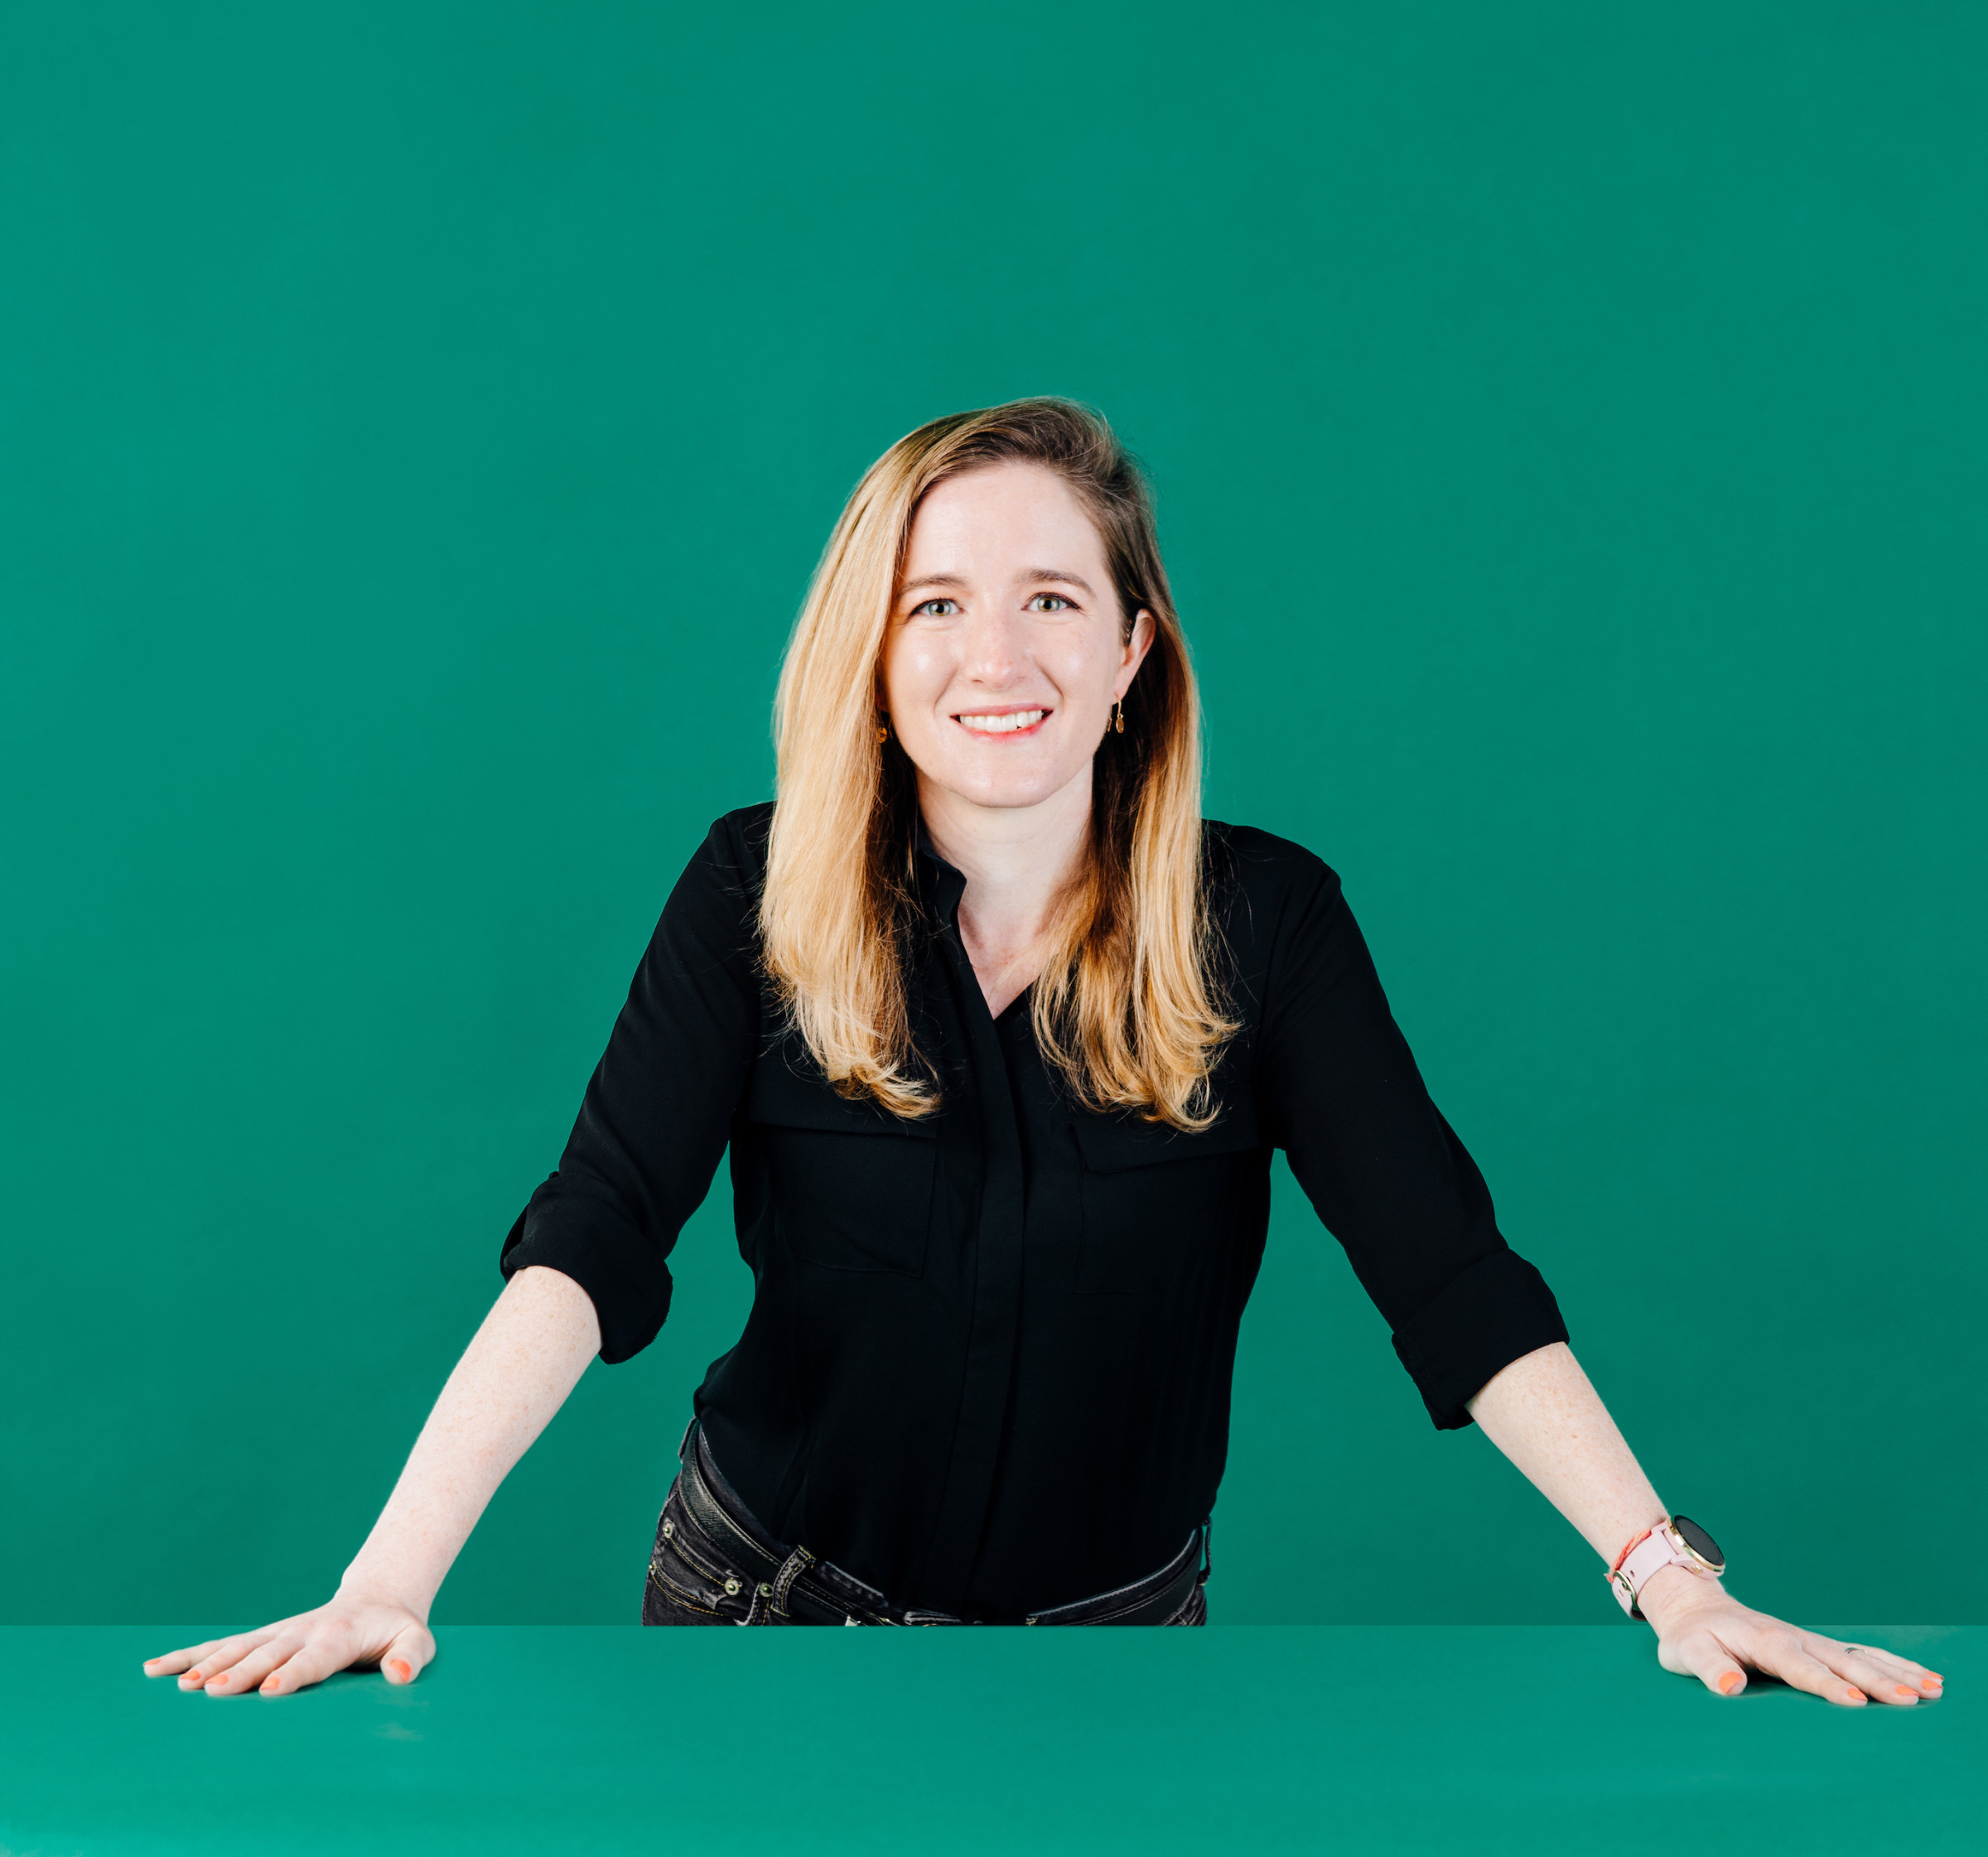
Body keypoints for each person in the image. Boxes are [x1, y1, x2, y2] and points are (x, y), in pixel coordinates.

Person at [147, 399, 1939, 1708]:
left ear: (1136, 651)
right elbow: (595, 1236)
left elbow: (1452, 1279)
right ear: (873, 653)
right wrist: (390, 1577)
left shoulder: (1273, 927)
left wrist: (1668, 1579)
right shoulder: (751, 892)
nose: (992, 654)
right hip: (763, 1618)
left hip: (1120, 1655)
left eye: (1052, 601)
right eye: (936, 604)